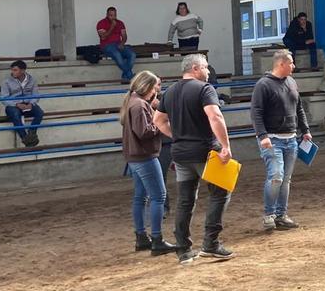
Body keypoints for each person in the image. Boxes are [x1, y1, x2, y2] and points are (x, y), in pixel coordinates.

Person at [153, 53, 235, 265]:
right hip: (205, 150)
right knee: (220, 193)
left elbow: (158, 120)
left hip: (180, 153)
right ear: (196, 68)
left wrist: (177, 136)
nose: (208, 72)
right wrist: (225, 145)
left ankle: (183, 248)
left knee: (185, 200)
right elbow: (215, 116)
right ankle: (211, 243)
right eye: (206, 67)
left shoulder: (170, 91)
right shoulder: (205, 89)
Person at [251, 50, 312, 232]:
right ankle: (270, 214)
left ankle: (280, 214)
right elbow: (256, 112)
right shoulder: (263, 85)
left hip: (291, 138)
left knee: (285, 179)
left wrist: (305, 130)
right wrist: (262, 136)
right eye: (291, 63)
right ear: (281, 64)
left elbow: (299, 108)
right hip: (272, 139)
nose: (294, 66)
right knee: (276, 176)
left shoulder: (292, 82)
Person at [122, 70, 177, 257]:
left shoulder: (133, 102)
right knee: (158, 196)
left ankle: (141, 237)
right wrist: (159, 122)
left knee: (140, 197)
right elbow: (144, 132)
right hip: (145, 156)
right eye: (156, 87)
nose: (157, 90)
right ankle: (157, 239)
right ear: (148, 87)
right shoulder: (139, 106)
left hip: (135, 157)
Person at [1, 60, 44, 148]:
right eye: (12, 70)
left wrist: (31, 104)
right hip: (13, 106)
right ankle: (26, 139)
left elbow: (36, 95)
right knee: (15, 114)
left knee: (39, 112)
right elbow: (4, 98)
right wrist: (17, 104)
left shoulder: (32, 80)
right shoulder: (6, 82)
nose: (12, 72)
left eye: (15, 70)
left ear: (23, 71)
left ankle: (31, 133)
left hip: (28, 104)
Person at [97, 7, 137, 82]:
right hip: (107, 45)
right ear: (107, 15)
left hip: (118, 44)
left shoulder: (120, 23)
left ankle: (125, 77)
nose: (113, 17)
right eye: (111, 15)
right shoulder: (101, 23)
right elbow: (103, 37)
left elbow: (124, 36)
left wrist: (122, 43)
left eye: (114, 15)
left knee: (132, 54)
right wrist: (112, 26)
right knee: (117, 54)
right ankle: (130, 75)